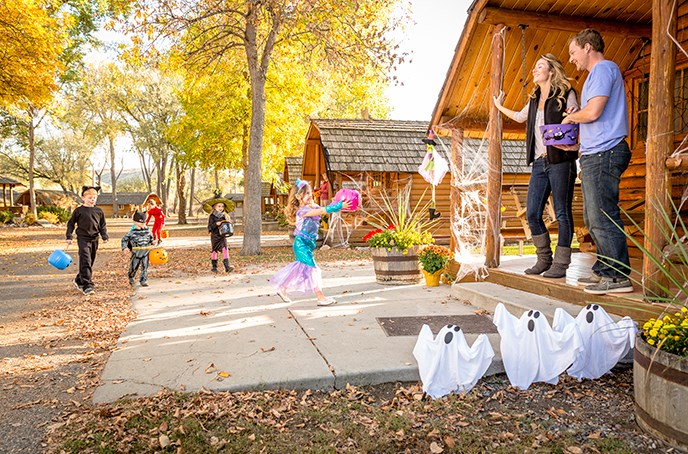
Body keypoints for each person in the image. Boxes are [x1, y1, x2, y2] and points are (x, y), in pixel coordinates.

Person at [493, 53, 579, 278]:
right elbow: (520, 117)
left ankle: (561, 264)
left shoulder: (565, 94)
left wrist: (572, 136)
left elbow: (577, 118)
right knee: (532, 213)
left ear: (551, 71)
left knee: (562, 212)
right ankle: (544, 259)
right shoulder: (533, 100)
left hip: (561, 161)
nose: (534, 70)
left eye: (539, 66)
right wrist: (498, 106)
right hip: (540, 163)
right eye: (534, 67)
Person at [561, 28, 633, 294]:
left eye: (573, 52)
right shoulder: (594, 76)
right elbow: (591, 116)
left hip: (606, 152)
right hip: (595, 153)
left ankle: (617, 277)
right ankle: (605, 270)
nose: (571, 59)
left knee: (602, 216)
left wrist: (571, 118)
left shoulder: (603, 70)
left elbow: (593, 113)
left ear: (588, 47)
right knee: (593, 218)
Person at [271, 178, 351, 306]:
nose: (310, 195)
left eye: (310, 193)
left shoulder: (311, 207)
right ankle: (321, 298)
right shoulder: (302, 211)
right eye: (307, 193)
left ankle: (282, 288)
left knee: (298, 269)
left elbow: (323, 209)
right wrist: (338, 206)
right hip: (301, 244)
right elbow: (322, 211)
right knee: (313, 270)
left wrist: (338, 202)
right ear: (298, 196)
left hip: (308, 244)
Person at [66, 186, 109, 296]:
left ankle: (79, 279)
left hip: (94, 239)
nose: (92, 199)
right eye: (90, 197)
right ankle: (87, 285)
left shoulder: (98, 211)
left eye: (94, 197)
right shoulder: (79, 211)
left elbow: (102, 225)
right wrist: (69, 236)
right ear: (83, 198)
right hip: (83, 239)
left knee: (90, 261)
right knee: (85, 260)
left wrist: (104, 236)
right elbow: (71, 224)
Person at [121, 210, 154, 287]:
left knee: (145, 267)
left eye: (144, 223)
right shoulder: (131, 232)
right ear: (135, 222)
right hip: (136, 253)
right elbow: (124, 240)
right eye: (141, 223)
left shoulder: (148, 231)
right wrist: (125, 248)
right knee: (134, 266)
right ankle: (131, 276)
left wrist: (153, 242)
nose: (143, 224)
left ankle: (143, 280)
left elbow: (151, 239)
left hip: (145, 252)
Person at [203, 196, 235, 273]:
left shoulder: (225, 215)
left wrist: (229, 224)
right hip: (215, 236)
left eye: (222, 206)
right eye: (219, 206)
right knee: (214, 251)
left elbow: (228, 224)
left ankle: (227, 266)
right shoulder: (212, 216)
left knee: (225, 249)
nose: (221, 208)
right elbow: (210, 227)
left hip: (222, 236)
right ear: (214, 207)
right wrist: (216, 224)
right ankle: (214, 267)